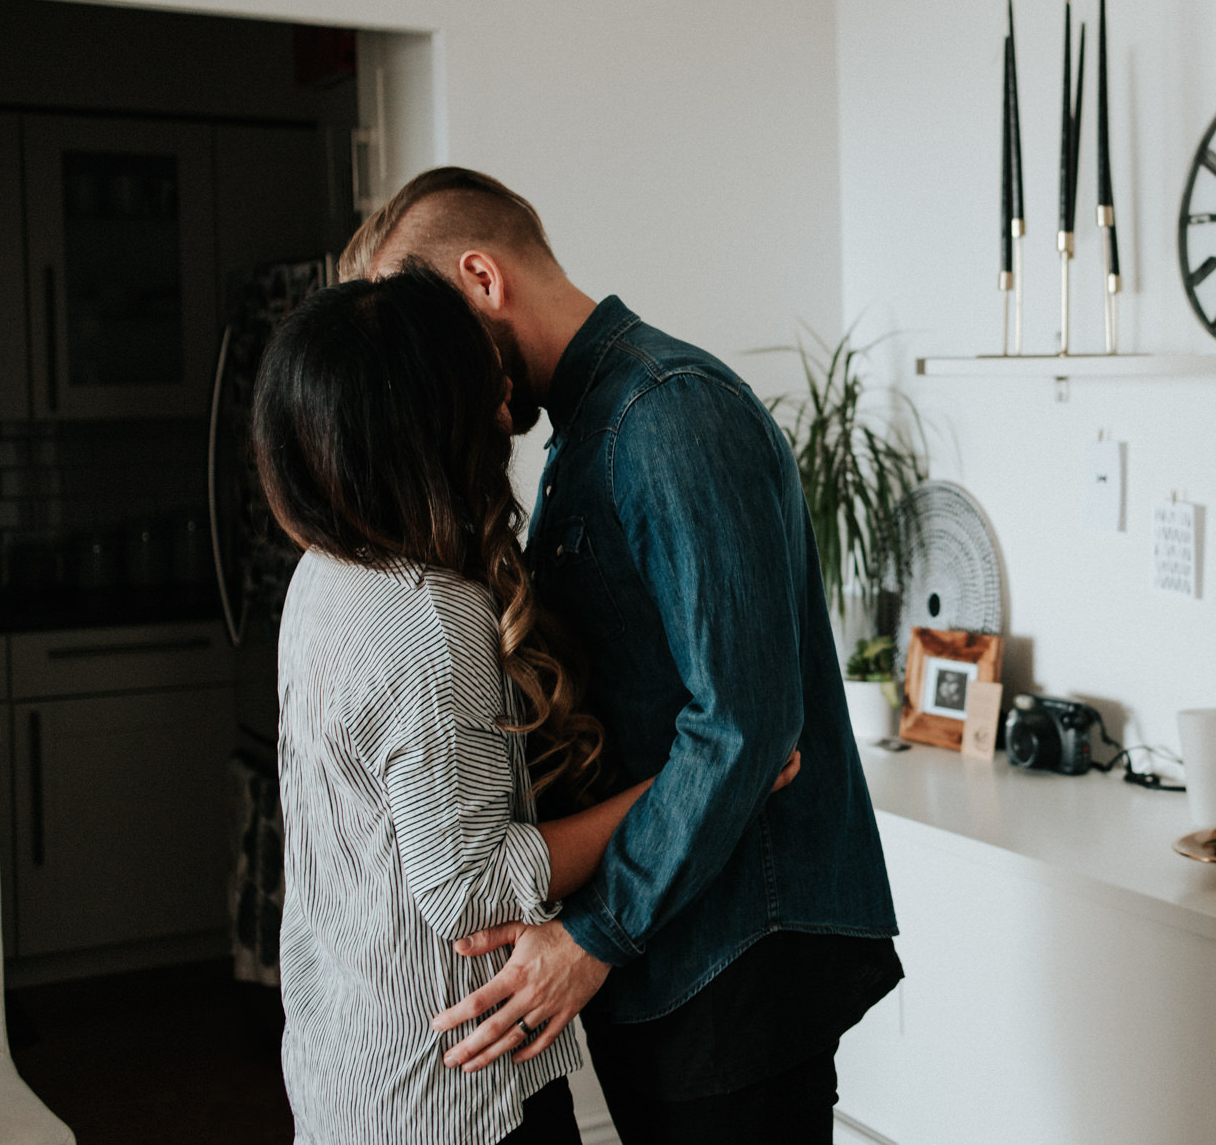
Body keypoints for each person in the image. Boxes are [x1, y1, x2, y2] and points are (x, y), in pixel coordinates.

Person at [340, 169, 901, 1145]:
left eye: (425, 326)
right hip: (677, 950)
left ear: (481, 276)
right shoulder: (587, 427)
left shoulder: (669, 413)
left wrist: (593, 935)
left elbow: (744, 725)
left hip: (735, 954)